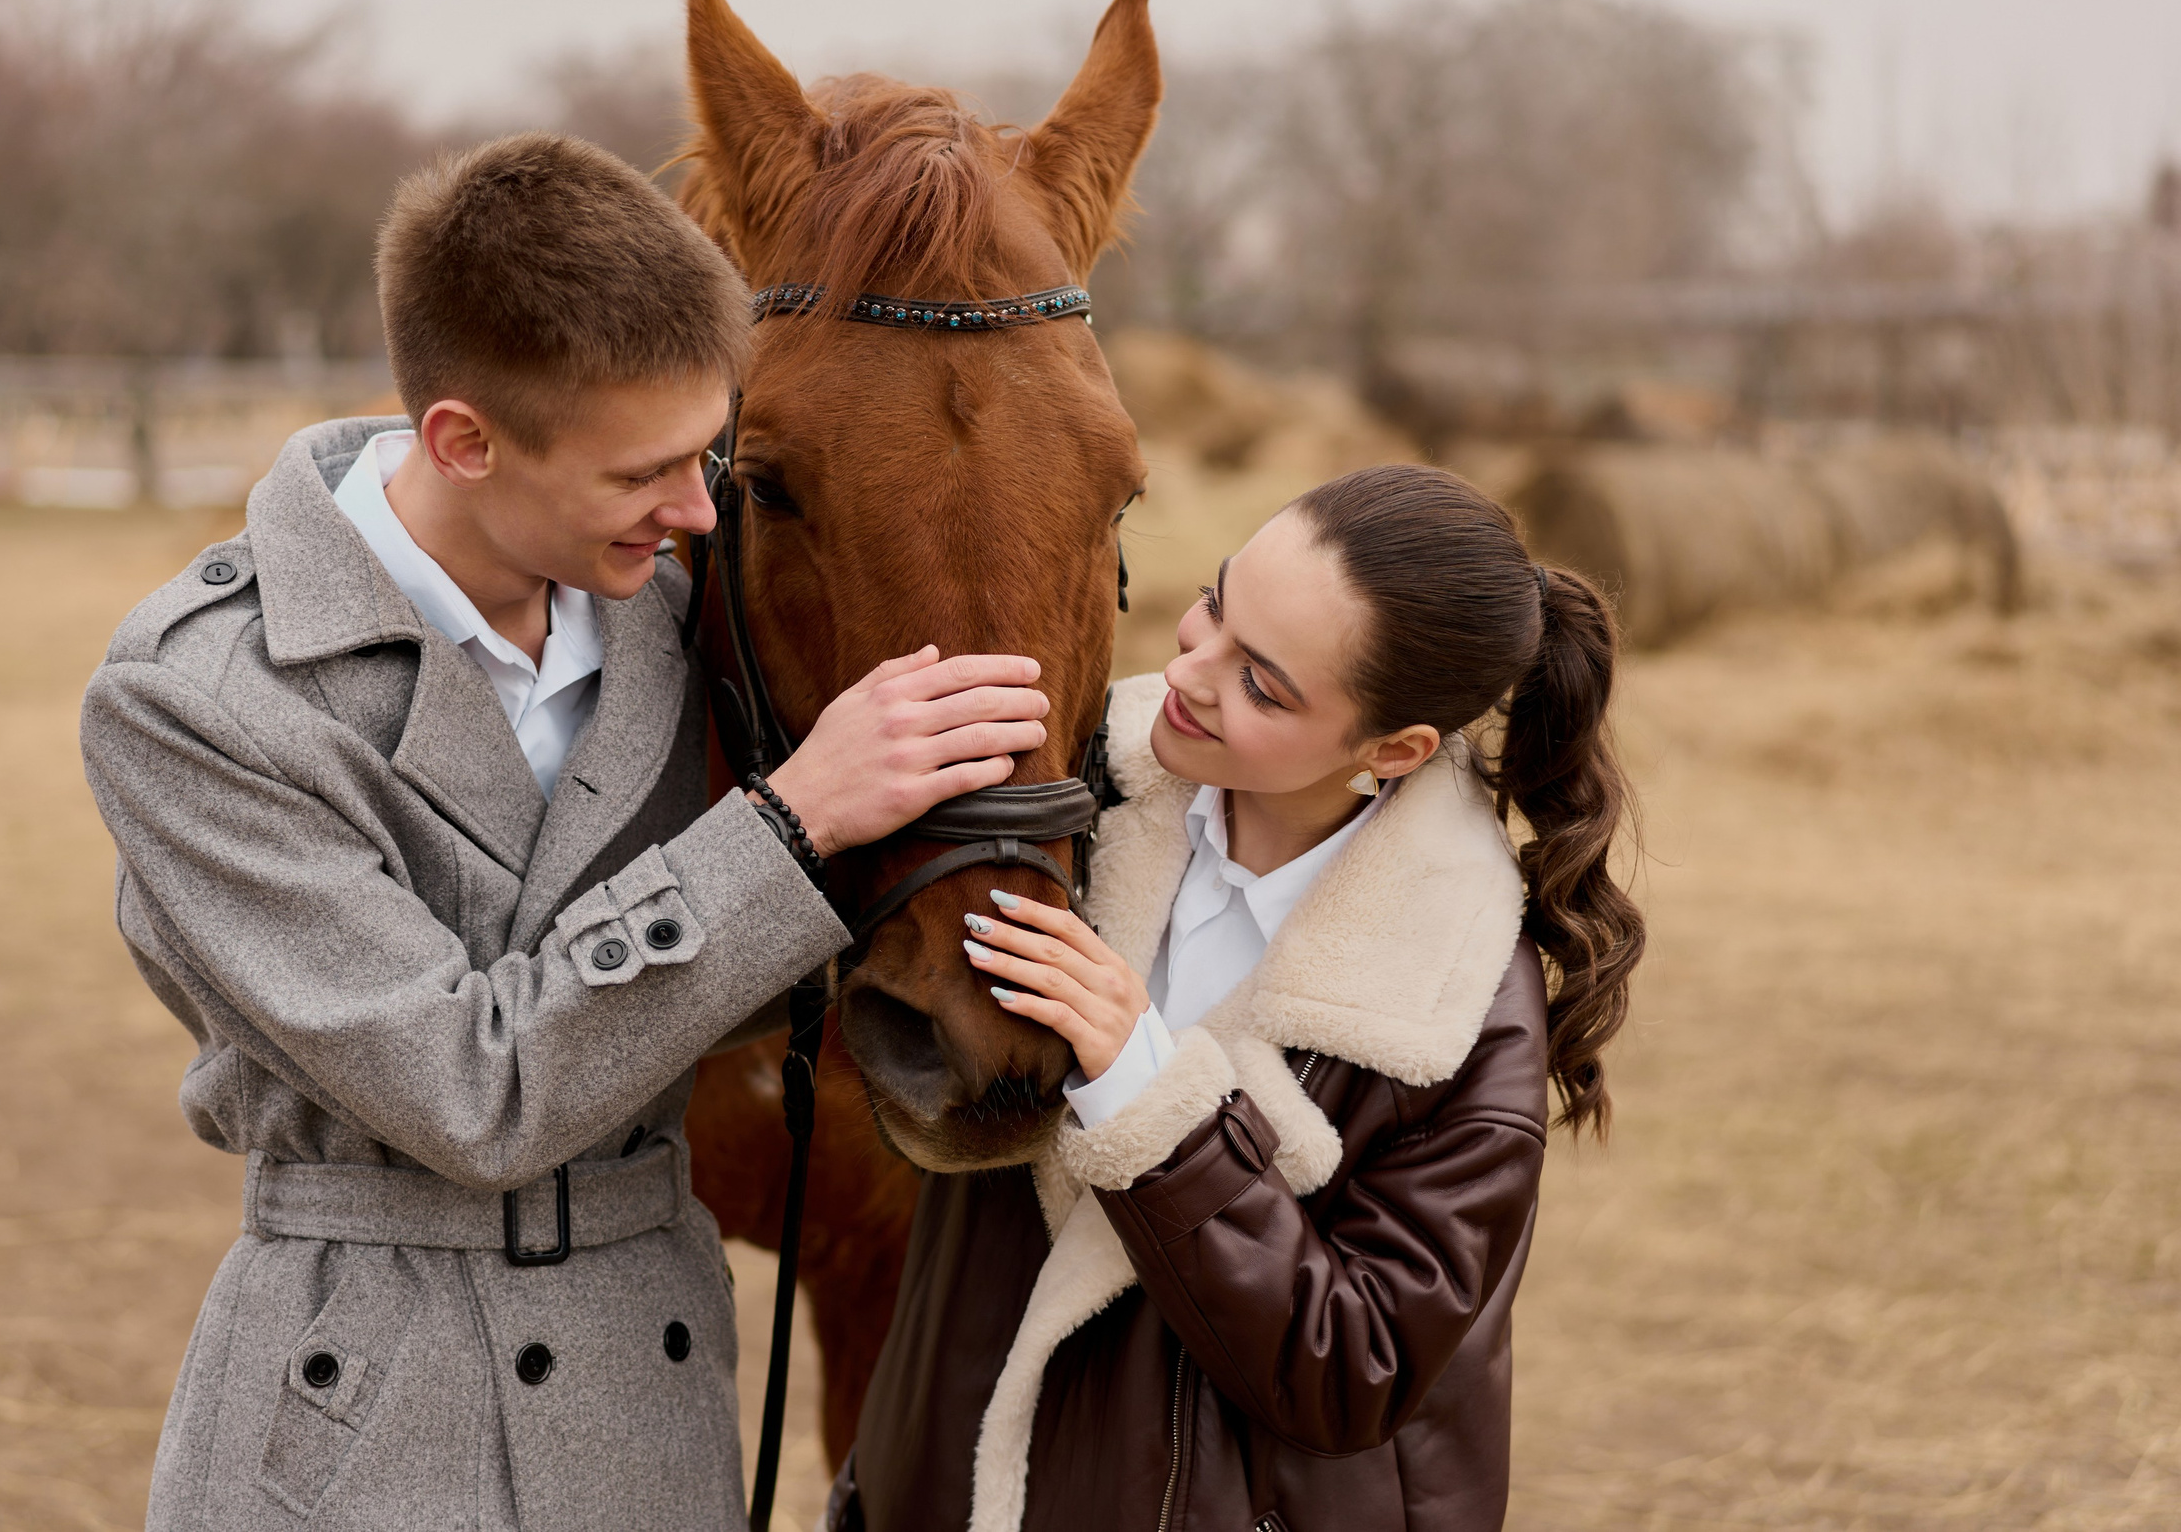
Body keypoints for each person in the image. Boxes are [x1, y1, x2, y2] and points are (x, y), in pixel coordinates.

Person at [79, 133, 1053, 1532]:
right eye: (643, 473)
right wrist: (792, 826)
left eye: (709, 453)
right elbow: (469, 1091)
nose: (698, 508)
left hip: (650, 1401)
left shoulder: (677, 605)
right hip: (362, 1416)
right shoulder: (198, 702)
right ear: (464, 441)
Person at [836, 463, 1647, 1532]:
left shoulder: (1452, 1003)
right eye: (1216, 603)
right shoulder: (1054, 808)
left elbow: (1354, 1367)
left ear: (1390, 752)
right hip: (945, 1488)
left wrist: (1142, 1094)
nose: (1191, 667)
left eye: (1262, 683)